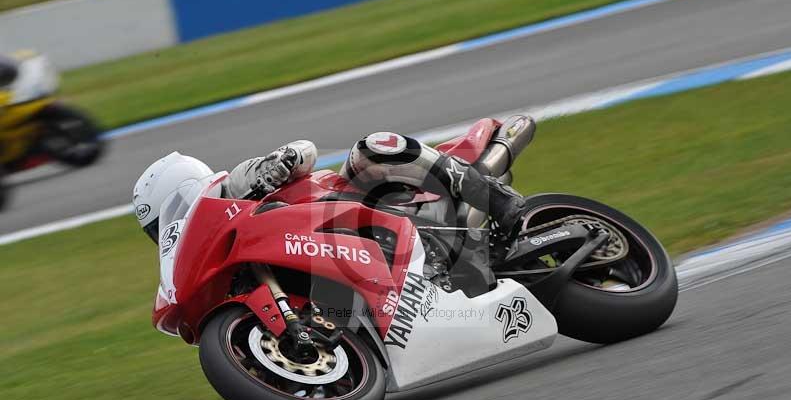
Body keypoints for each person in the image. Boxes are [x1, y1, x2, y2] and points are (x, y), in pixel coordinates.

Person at [133, 122, 529, 245]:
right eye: (156, 231)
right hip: (332, 251)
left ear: (182, 190)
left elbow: (305, 149)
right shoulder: (208, 246)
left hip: (355, 204)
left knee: (371, 148)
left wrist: (281, 164)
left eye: (160, 223)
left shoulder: (235, 185)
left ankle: (492, 196)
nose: (163, 233)